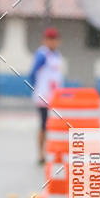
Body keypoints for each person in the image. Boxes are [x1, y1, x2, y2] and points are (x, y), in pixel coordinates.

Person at [28, 27, 64, 164]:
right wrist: (38, 89)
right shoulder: (42, 55)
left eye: (54, 39)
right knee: (44, 124)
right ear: (45, 40)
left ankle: (55, 152)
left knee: (55, 125)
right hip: (43, 96)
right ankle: (41, 153)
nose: (52, 42)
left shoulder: (57, 55)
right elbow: (32, 73)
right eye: (49, 39)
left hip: (56, 97)